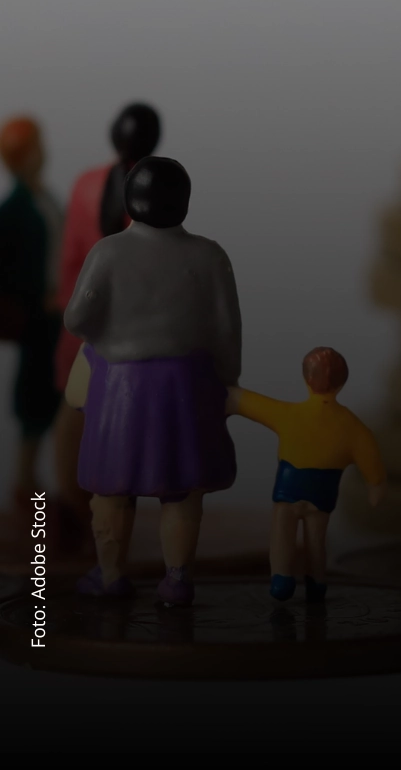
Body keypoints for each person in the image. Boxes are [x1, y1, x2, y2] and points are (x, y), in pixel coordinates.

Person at [63, 155, 241, 606]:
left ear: (131, 201)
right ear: (183, 202)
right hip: (188, 386)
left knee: (112, 490)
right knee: (181, 491)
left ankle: (110, 575)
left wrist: (111, 328)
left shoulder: (108, 252)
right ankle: (177, 579)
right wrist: (227, 380)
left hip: (120, 386)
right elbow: (227, 329)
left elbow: (77, 318)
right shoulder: (210, 255)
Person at [52, 102, 162, 532]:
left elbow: (69, 259)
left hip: (82, 317)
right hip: (130, 330)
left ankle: (73, 505)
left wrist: (68, 310)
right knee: (122, 423)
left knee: (74, 411)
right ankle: (108, 519)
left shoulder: (86, 183)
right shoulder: (156, 190)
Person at [227, 347, 385, 603]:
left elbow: (249, 403)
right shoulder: (352, 426)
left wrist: (229, 395)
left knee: (282, 536)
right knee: (316, 541)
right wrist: (375, 485)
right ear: (342, 382)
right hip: (322, 495)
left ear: (306, 379)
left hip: (288, 491)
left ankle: (282, 577)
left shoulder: (289, 414)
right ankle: (316, 580)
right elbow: (370, 456)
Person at [0, 118, 63, 513]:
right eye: (33, 148)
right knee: (35, 396)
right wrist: (34, 300)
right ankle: (26, 484)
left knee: (56, 394)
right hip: (36, 318)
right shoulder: (13, 209)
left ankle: (41, 483)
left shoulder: (44, 198)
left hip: (56, 314)